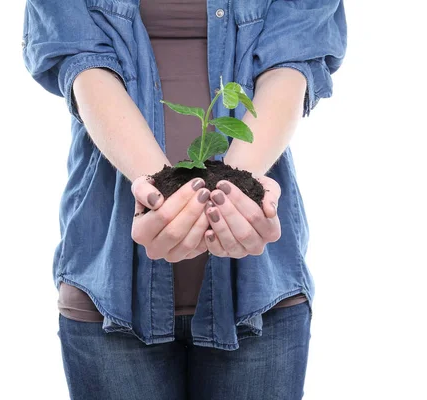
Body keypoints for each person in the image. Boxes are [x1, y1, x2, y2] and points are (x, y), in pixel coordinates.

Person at [22, 0, 346, 398]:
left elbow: (292, 57)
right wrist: (162, 193)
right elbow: (84, 64)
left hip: (259, 290)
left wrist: (235, 195)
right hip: (110, 286)